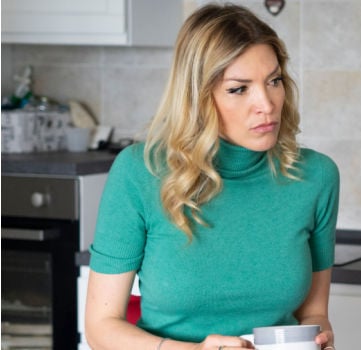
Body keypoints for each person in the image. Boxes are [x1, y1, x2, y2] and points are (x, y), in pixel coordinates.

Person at [85, 4, 339, 350]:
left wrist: (317, 338)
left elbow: (313, 313)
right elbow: (101, 328)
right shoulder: (139, 172)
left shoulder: (315, 176)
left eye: (274, 80)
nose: (266, 103)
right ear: (197, 97)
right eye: (239, 88)